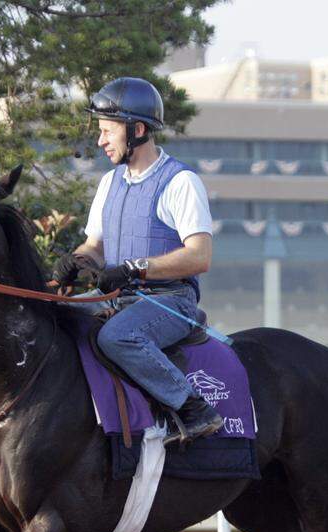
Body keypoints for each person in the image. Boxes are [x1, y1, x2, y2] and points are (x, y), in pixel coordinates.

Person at [53, 77, 222, 443]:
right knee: (55, 316)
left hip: (170, 301)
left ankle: (193, 409)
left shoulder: (181, 182)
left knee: (119, 337)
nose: (100, 141)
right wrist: (76, 260)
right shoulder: (109, 183)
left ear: (138, 130)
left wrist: (134, 268)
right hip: (120, 298)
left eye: (107, 132)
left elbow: (200, 256)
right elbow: (95, 246)